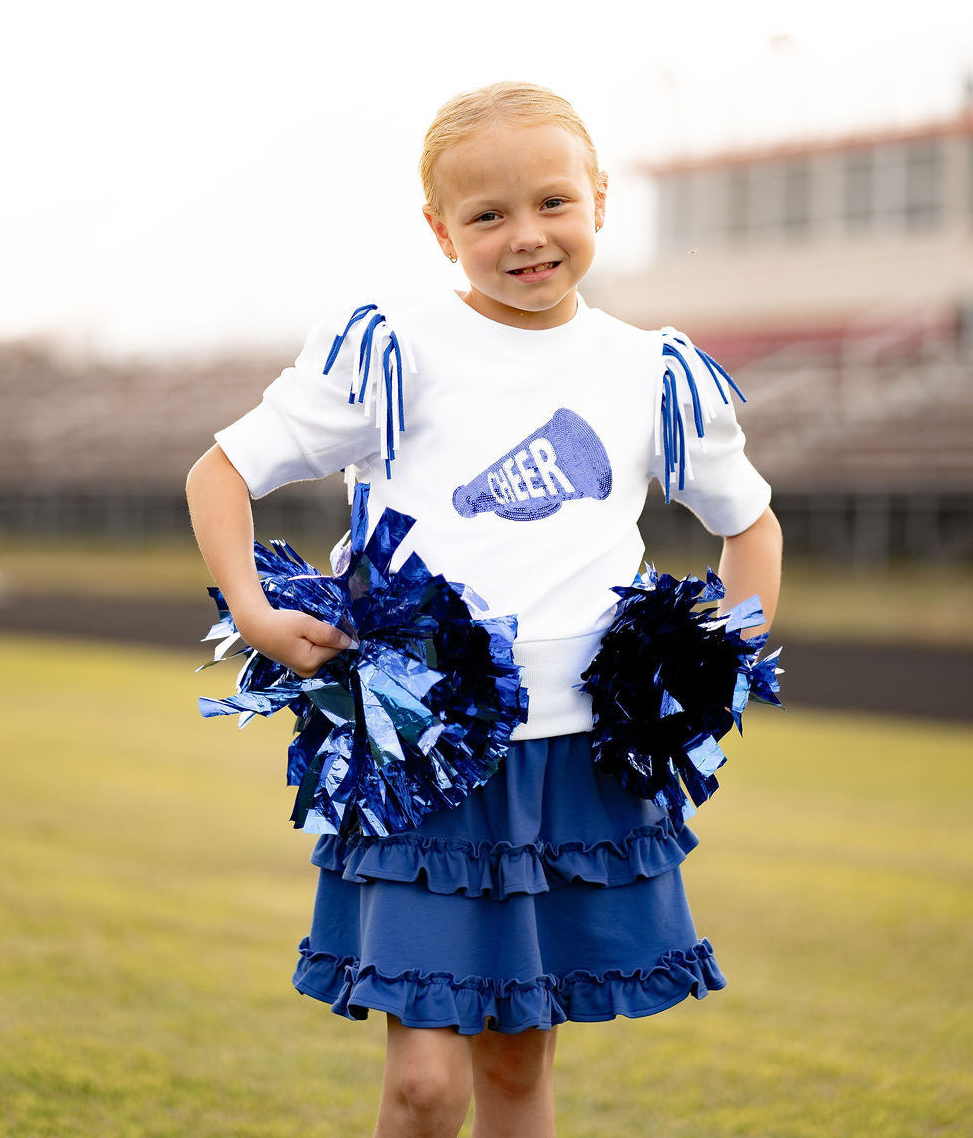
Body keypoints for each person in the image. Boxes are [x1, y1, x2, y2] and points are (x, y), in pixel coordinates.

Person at [186, 82, 782, 1138]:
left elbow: (750, 524)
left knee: (516, 1064)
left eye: (554, 202)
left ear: (599, 198)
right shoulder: (392, 350)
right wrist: (256, 609)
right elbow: (220, 472)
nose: (527, 236)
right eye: (487, 215)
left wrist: (714, 663)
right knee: (425, 1083)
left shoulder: (649, 369)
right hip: (431, 762)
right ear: (439, 230)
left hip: (579, 762)